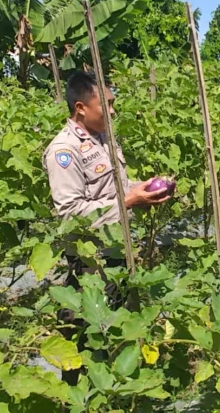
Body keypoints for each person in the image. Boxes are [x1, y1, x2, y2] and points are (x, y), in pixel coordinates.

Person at [42, 71, 170, 384]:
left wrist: (147, 189)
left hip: (117, 251)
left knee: (116, 329)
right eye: (107, 104)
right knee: (86, 339)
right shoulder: (64, 151)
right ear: (80, 108)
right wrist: (129, 201)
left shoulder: (102, 138)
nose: (113, 111)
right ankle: (79, 399)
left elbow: (117, 189)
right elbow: (71, 214)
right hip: (91, 261)